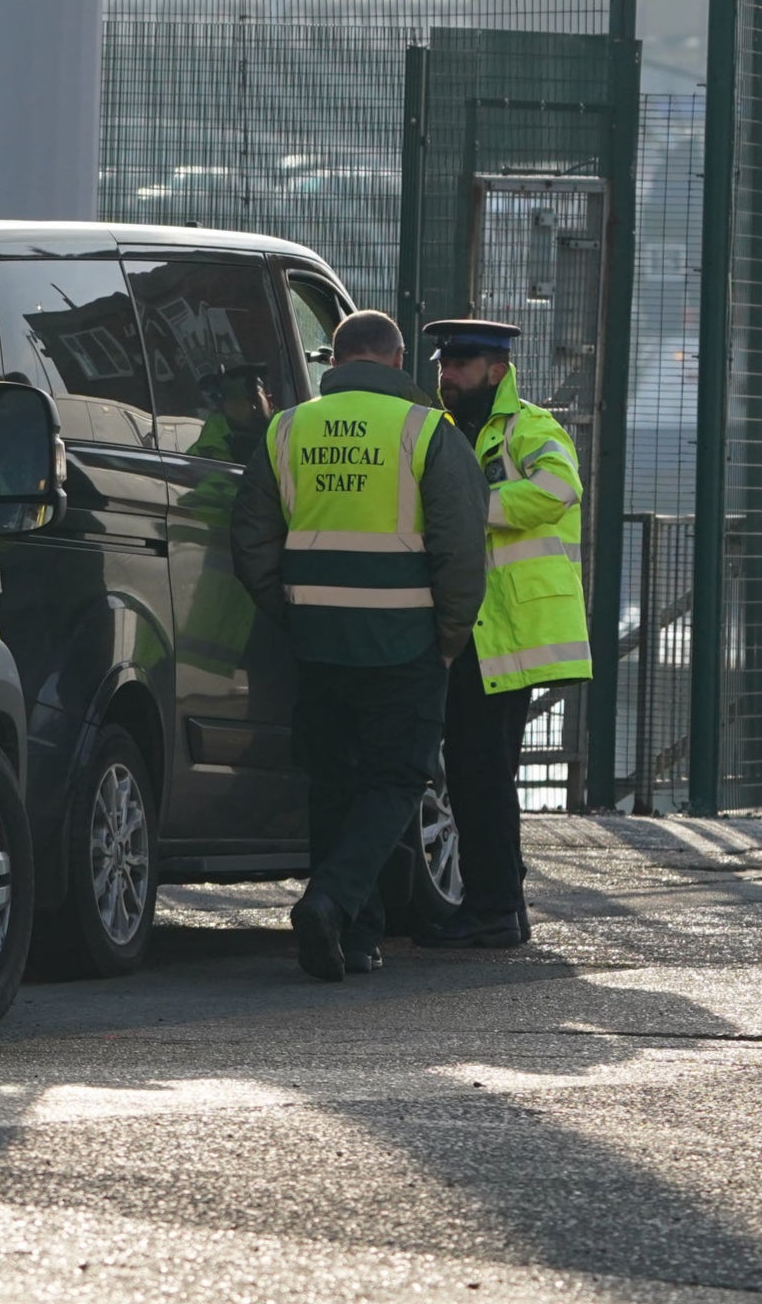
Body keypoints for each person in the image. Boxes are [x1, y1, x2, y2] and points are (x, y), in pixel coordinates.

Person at [232, 310, 487, 981]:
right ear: (396, 358)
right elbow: (460, 549)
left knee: (334, 781)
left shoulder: (285, 429)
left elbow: (251, 542)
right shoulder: (427, 430)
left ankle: (355, 935)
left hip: (316, 640)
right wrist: (447, 638)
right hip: (404, 640)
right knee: (396, 778)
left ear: (335, 359)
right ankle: (330, 903)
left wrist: (292, 612)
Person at [415, 318, 592, 948]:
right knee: (475, 771)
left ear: (496, 370)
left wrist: (473, 506)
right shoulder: (441, 431)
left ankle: (492, 906)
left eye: (460, 365)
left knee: (479, 770)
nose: (448, 375)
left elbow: (559, 487)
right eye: (443, 365)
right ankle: (500, 899)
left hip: (509, 634)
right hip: (472, 630)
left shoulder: (530, 427)